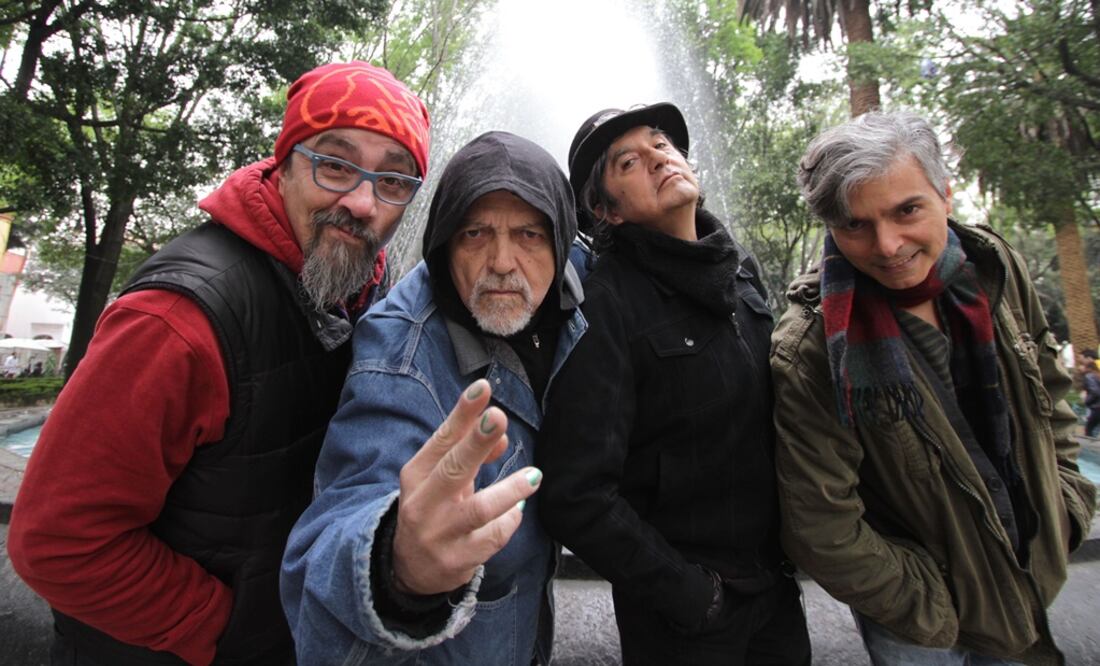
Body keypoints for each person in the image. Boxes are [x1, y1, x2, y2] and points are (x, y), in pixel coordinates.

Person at [7, 62, 430, 665]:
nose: (363, 203)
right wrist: (228, 628)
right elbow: (59, 541)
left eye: (393, 181)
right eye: (335, 164)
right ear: (283, 164)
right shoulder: (177, 322)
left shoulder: (354, 289)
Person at [772, 111, 1097, 664]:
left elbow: (1049, 391)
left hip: (1029, 572)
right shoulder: (811, 347)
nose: (888, 244)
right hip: (919, 625)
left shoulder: (995, 267)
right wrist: (930, 603)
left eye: (907, 210)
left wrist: (1066, 502)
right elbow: (819, 523)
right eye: (855, 225)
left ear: (944, 194)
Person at [280, 130, 585, 665]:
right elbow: (344, 520)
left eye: (529, 235)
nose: (503, 261)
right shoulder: (400, 357)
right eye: (475, 233)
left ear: (559, 242)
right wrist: (396, 569)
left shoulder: (569, 292)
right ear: (444, 243)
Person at [536, 103, 810, 665]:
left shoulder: (737, 271)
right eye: (629, 162)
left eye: (661, 143)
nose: (658, 158)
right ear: (604, 210)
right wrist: (690, 595)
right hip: (689, 621)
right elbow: (576, 494)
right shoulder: (607, 306)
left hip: (774, 593)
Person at [1083, 348, 1100, 437]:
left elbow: (1095, 392)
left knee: (1089, 431)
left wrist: (1086, 401)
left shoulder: (1089, 376)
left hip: (1096, 407)